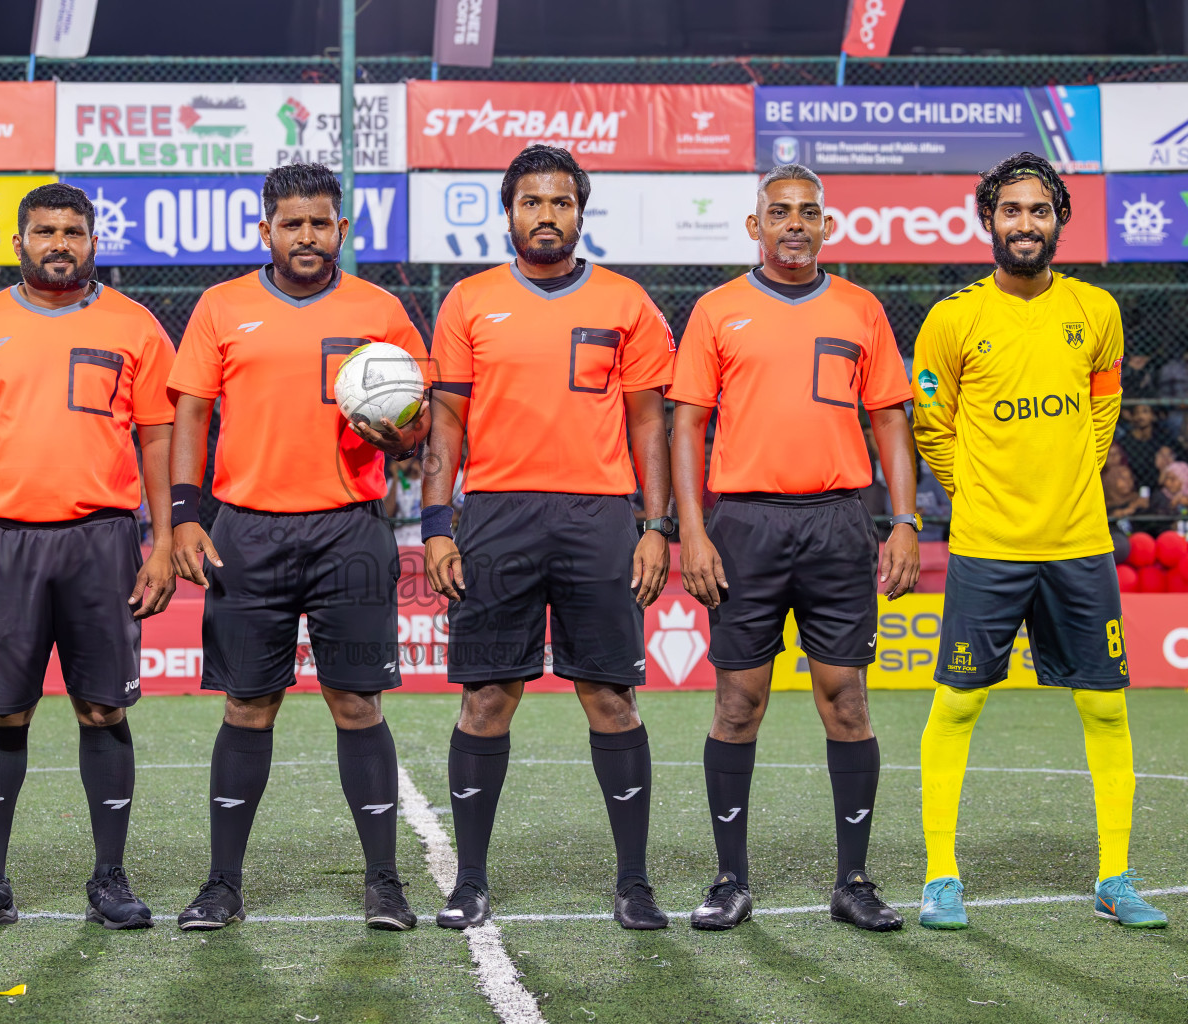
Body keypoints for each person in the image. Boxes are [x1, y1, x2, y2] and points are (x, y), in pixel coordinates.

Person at [170, 163, 429, 932]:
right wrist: (187, 515)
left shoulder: (380, 310)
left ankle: (384, 881)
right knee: (248, 704)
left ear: (341, 230)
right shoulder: (222, 308)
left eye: (321, 223)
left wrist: (403, 433)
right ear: (266, 231)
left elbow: (419, 424)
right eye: (293, 224)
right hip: (246, 527)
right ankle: (222, 884)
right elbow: (191, 416)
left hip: (350, 528)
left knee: (356, 702)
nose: (307, 236)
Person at [913, 152, 1167, 930]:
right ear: (985, 220)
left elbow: (1103, 413)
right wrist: (983, 493)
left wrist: (1063, 482)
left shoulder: (1097, 311)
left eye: (1039, 210)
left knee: (1107, 708)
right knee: (957, 704)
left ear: (1060, 219)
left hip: (1079, 542)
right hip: (989, 546)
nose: (1025, 224)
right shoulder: (953, 318)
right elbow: (933, 427)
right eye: (1011, 211)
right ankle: (940, 878)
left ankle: (1115, 878)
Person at [423, 145, 675, 931]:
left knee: (610, 695)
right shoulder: (469, 301)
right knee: (488, 696)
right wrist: (437, 526)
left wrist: (655, 526)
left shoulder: (627, 302)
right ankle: (469, 881)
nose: (546, 215)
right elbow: (447, 424)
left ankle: (633, 882)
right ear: (508, 213)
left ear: (579, 212)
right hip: (496, 513)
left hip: (599, 515)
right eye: (531, 202)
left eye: (561, 202)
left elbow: (648, 425)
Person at [672, 163, 919, 933]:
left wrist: (904, 520)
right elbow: (686, 425)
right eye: (779, 212)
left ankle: (853, 881)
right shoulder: (717, 311)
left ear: (826, 226)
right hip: (745, 524)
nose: (795, 225)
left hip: (838, 521)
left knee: (845, 697)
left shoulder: (862, 308)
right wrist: (692, 527)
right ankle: (730, 880)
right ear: (755, 226)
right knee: (738, 702)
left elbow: (889, 422)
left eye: (808, 213)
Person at [0, 182, 176, 933]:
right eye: (45, 231)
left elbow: (159, 437)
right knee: (2, 710)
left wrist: (164, 541)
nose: (60, 242)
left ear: (93, 242)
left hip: (102, 539)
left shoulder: (135, 325)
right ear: (19, 243)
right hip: (6, 541)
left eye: (74, 230)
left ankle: (109, 880)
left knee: (102, 707)